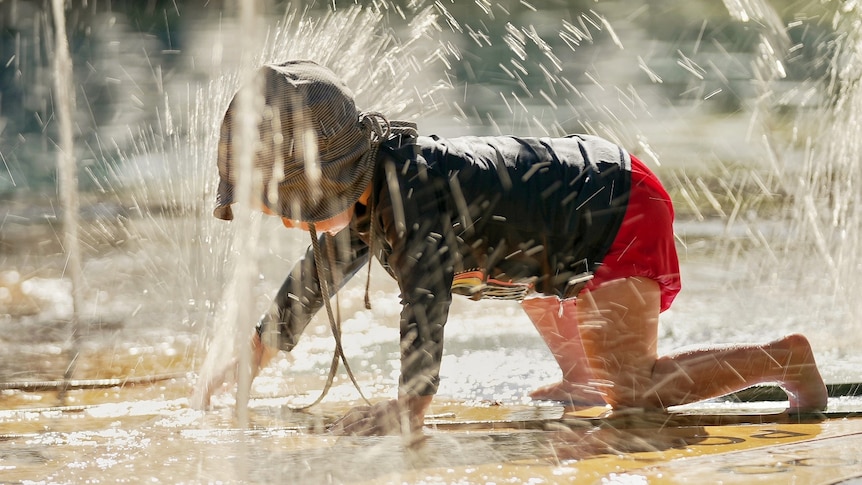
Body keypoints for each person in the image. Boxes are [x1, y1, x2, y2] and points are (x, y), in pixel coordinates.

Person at [197, 60, 828, 436]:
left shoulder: (415, 202)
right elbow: (313, 280)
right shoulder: (373, 190)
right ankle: (581, 377)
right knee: (506, 254)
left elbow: (424, 310)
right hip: (558, 223)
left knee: (631, 389)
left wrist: (409, 410)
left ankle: (785, 360)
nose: (286, 225)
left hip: (617, 206)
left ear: (322, 184)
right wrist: (249, 360)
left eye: (284, 209)